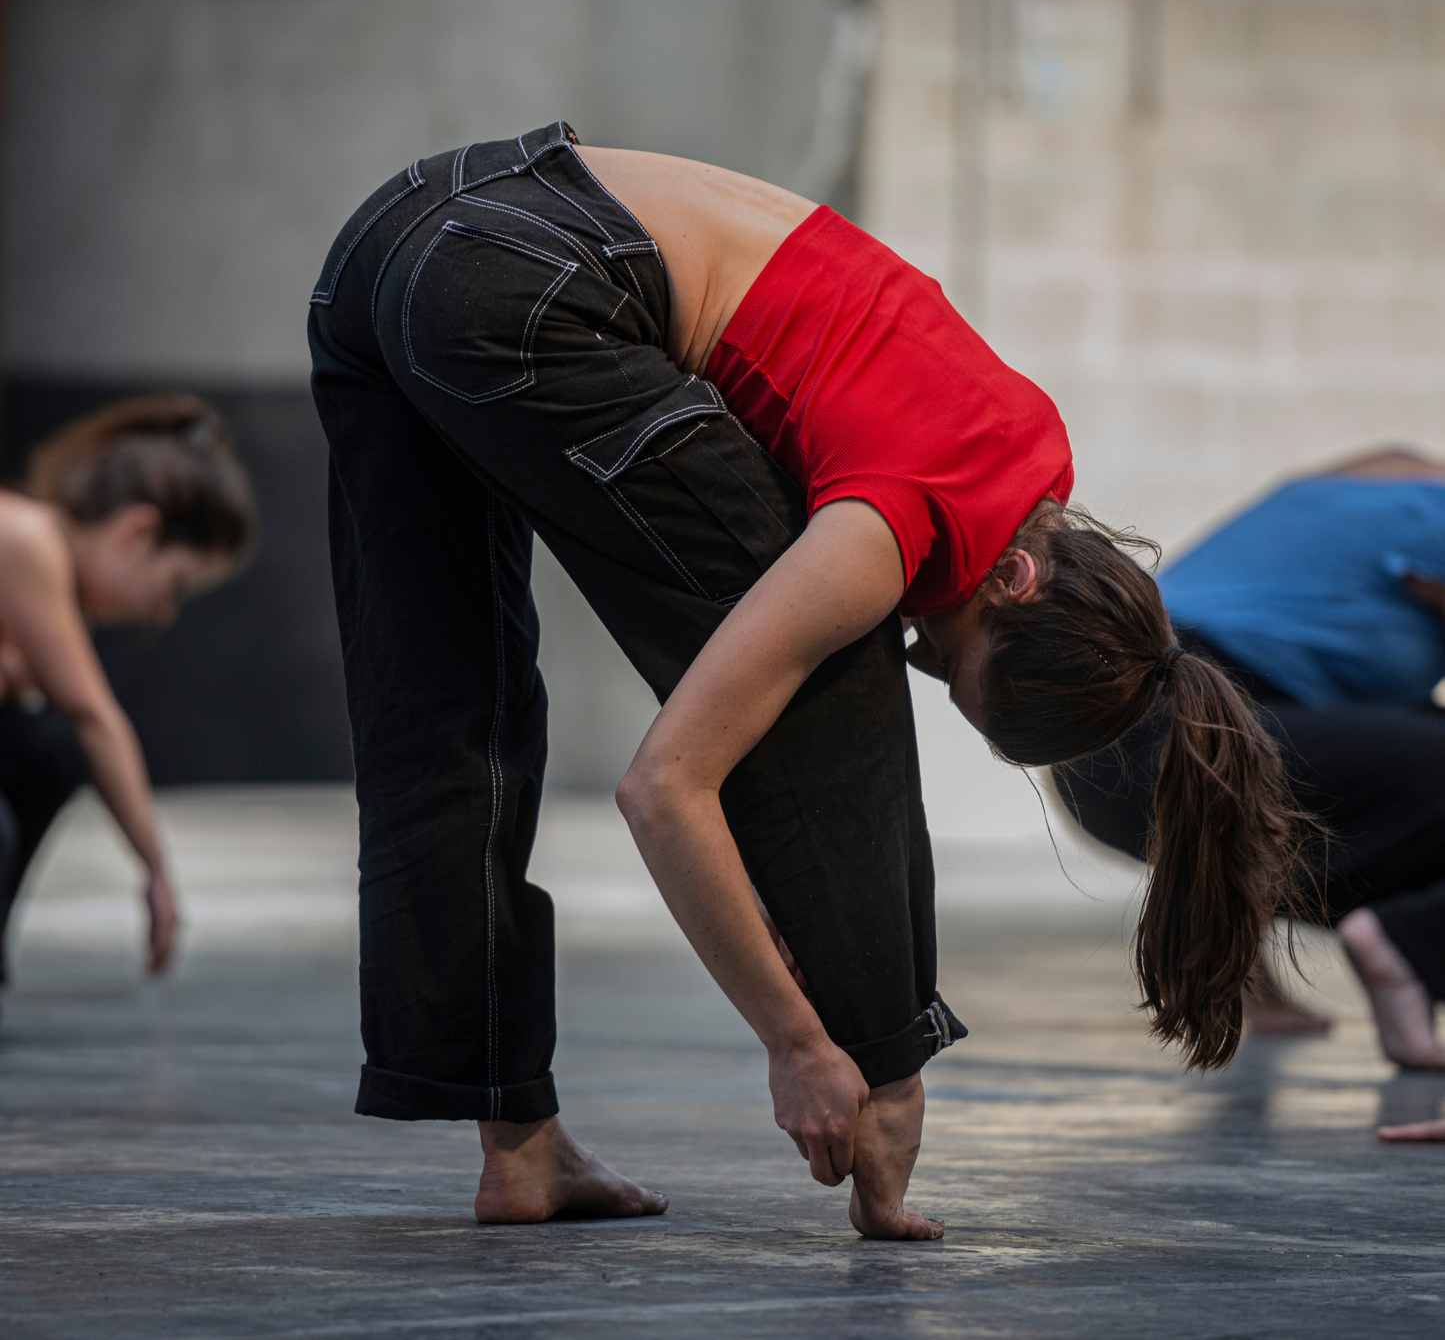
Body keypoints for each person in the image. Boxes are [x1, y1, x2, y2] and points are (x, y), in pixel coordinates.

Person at [309, 122, 1310, 1241]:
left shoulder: (1025, 460)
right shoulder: (905, 521)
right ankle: (886, 1088)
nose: (924, 655)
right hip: (538, 275)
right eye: (952, 659)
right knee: (840, 675)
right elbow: (662, 788)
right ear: (1018, 582)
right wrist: (803, 1041)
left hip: (393, 241)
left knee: (443, 716)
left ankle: (517, 1145)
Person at [1053, 450, 1445, 1073]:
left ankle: (1278, 959)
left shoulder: (1375, 489)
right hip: (1165, 734)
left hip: (1098, 759)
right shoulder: (1432, 515)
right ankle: (1413, 946)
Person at [0, 395, 255, 987]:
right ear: (136, 534)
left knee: (46, 746)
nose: (163, 614)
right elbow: (93, 715)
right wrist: (157, 874)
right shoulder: (27, 536)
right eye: (175, 585)